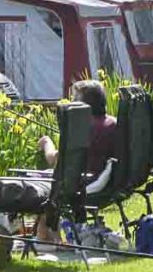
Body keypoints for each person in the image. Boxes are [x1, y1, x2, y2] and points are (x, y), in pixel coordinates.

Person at [34, 79, 120, 240]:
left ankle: (44, 237)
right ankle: (50, 235)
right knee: (51, 181)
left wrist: (46, 142)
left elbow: (54, 159)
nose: (72, 102)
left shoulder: (83, 129)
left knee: (37, 183)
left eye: (75, 98)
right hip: (105, 181)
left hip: (81, 183)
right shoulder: (113, 123)